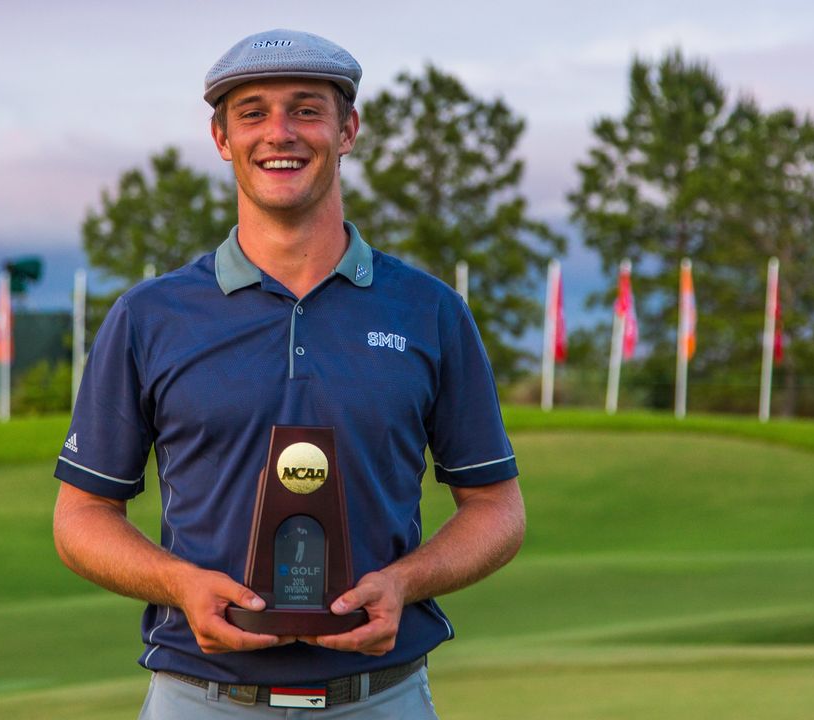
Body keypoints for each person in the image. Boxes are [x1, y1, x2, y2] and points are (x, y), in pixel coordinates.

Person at [52, 28, 525, 718]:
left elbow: (497, 508)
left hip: (381, 697)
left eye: (306, 110)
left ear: (348, 130)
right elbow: (81, 517)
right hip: (201, 696)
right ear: (221, 138)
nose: (280, 132)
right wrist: (180, 583)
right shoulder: (150, 316)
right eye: (252, 113)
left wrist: (405, 582)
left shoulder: (431, 311)